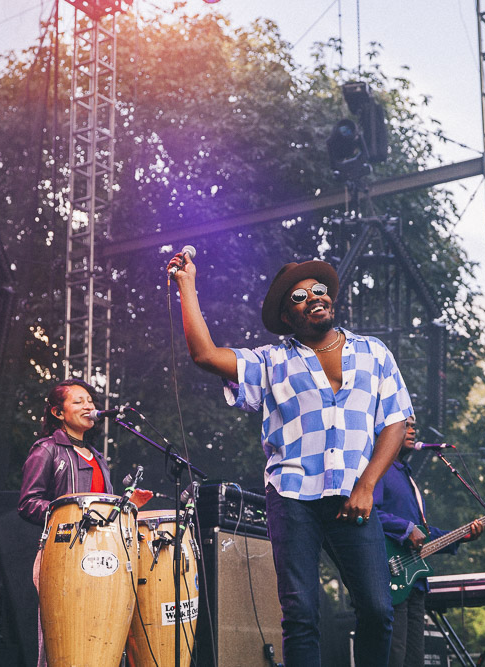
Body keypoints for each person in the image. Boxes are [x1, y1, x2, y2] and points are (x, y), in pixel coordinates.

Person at [168, 253, 413, 667]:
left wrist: (367, 485)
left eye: (319, 290)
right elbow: (205, 355)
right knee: (300, 615)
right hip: (292, 496)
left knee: (377, 608)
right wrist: (186, 284)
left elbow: (394, 422)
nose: (313, 297)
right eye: (299, 296)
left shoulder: (374, 352)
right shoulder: (270, 361)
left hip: (354, 496)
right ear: (287, 314)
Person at [17, 378, 152, 666]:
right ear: (58, 412)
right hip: (62, 556)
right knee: (64, 645)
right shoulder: (47, 449)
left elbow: (105, 517)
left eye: (90, 401)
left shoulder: (99, 458)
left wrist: (128, 507)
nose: (88, 406)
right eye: (78, 401)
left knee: (102, 636)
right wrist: (70, 515)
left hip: (103, 558)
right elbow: (28, 503)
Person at [374, 415, 484, 667]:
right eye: (407, 425)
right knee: (395, 655)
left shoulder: (406, 475)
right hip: (390, 575)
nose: (413, 430)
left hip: (415, 581)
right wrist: (406, 528)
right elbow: (369, 512)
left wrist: (462, 536)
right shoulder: (380, 469)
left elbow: (423, 534)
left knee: (415, 658)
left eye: (414, 425)